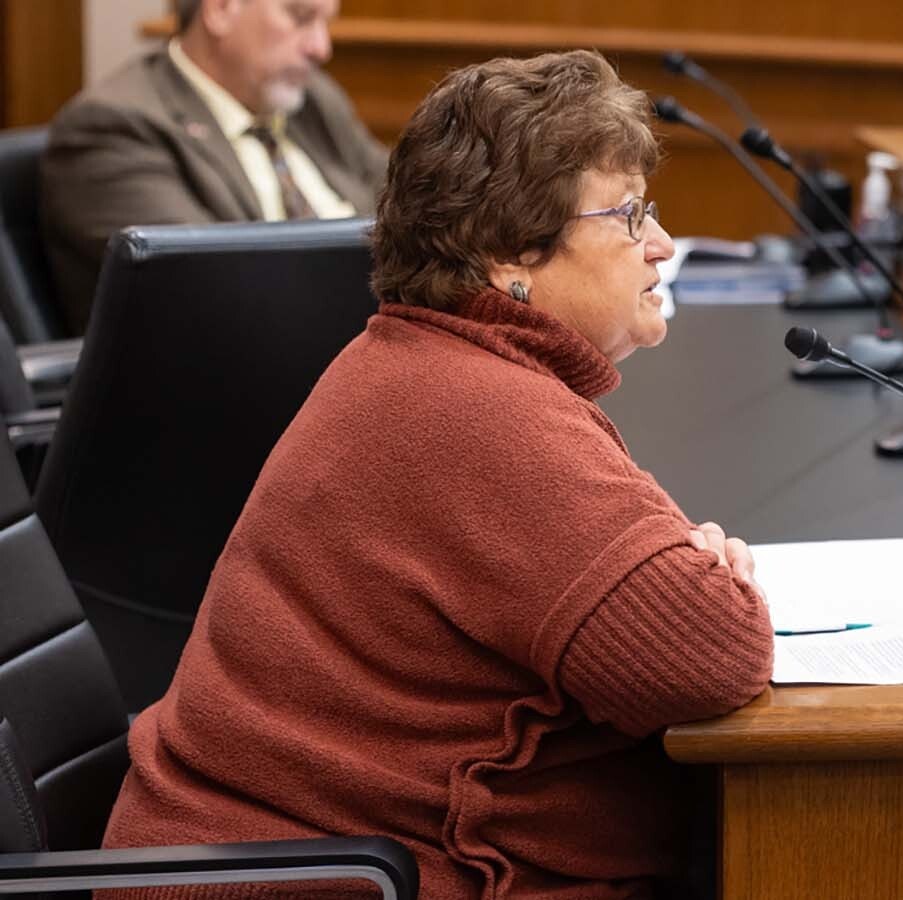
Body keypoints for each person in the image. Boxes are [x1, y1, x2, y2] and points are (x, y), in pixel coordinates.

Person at [97, 50, 775, 899]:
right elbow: (708, 656)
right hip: (309, 880)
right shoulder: (477, 408)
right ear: (508, 256)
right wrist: (706, 579)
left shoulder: (427, 361)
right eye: (631, 215)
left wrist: (684, 577)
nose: (662, 245)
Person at [41, 0, 387, 334]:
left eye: (326, 22)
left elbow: (411, 208)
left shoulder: (313, 101)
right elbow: (210, 288)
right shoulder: (115, 126)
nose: (321, 47)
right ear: (221, 9)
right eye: (300, 16)